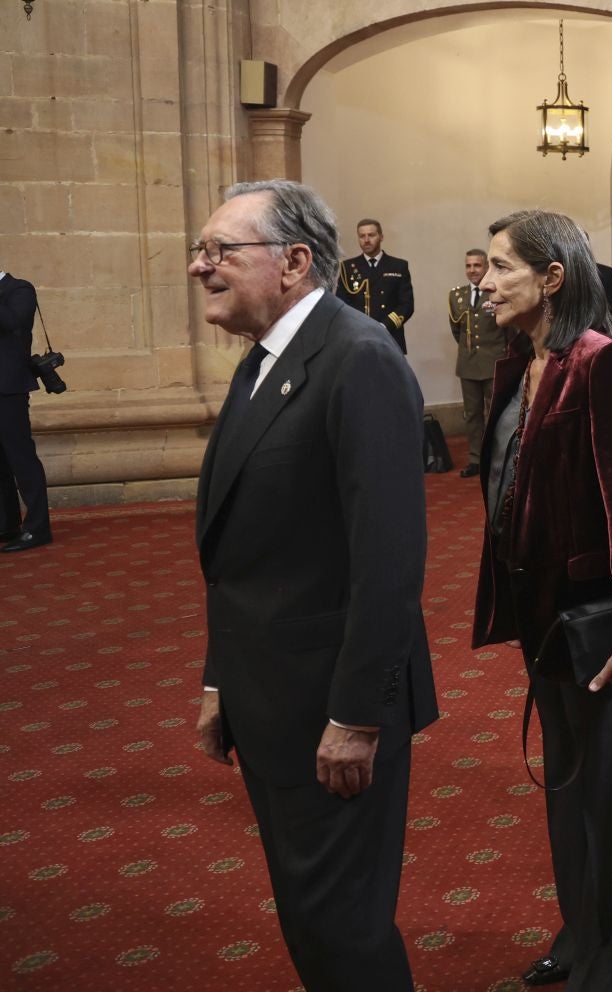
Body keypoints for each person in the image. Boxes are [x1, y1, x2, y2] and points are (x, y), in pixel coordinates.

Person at [188, 179, 438, 992]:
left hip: (332, 707)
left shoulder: (357, 358)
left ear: (294, 261)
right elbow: (249, 551)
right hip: (269, 694)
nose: (201, 266)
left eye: (221, 250)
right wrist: (221, 677)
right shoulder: (267, 360)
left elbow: (388, 561)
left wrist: (358, 716)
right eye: (201, 251)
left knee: (342, 926)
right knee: (311, 912)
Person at [472, 209, 612, 989]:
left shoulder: (603, 363)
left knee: (606, 793)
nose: (486, 282)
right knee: (565, 786)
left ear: (552, 277)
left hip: (594, 622)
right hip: (538, 617)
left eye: (501, 267)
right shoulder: (519, 363)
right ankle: (580, 930)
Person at [0, 267, 52, 553]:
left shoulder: (19, 289)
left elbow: (11, 323)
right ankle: (7, 524)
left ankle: (38, 528)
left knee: (22, 460)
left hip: (8, 389)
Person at [449, 247, 509, 477]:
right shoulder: (457, 296)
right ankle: (476, 458)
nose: (472, 270)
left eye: (477, 265)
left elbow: (509, 331)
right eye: (468, 265)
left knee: (496, 413)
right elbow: (457, 330)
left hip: (494, 362)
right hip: (468, 364)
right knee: (472, 415)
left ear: (486, 267)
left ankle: (498, 457)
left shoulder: (495, 292)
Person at [336, 219, 414, 352]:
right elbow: (341, 304)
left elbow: (406, 305)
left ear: (381, 237)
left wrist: (384, 326)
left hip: (390, 335)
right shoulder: (348, 267)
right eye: (362, 236)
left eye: (371, 235)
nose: (366, 240)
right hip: (358, 336)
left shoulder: (398, 266)